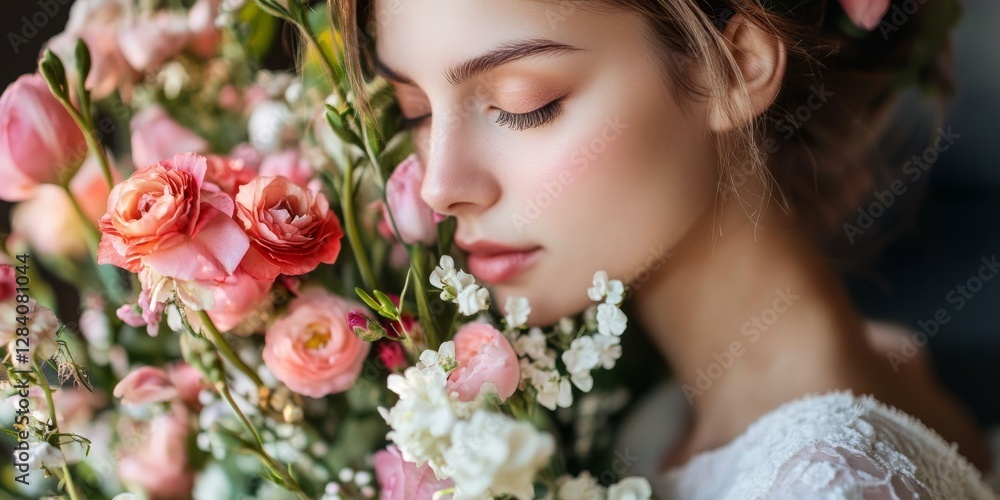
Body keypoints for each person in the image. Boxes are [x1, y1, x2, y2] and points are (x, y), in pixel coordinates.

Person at [335, 0, 1000, 497]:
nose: (440, 185)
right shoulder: (678, 413)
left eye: (525, 103)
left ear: (734, 68)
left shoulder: (829, 478)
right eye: (415, 110)